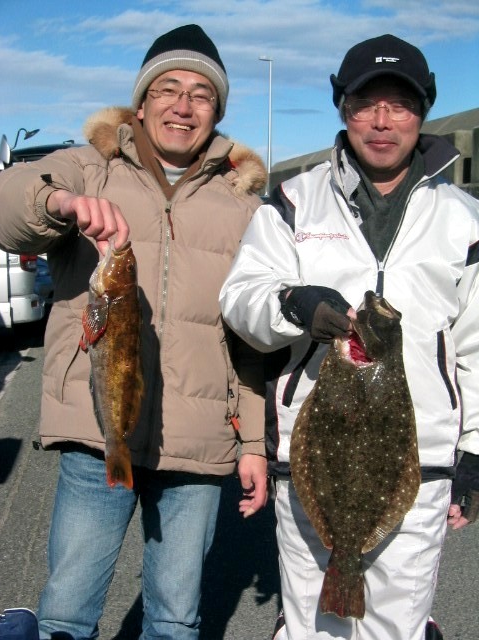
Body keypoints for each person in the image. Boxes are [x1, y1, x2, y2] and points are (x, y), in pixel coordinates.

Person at [0, 24, 268, 640]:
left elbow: (252, 342)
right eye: (167, 89)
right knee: (66, 612)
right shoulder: (89, 168)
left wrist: (252, 443)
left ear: (217, 112)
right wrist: (56, 206)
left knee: (175, 620)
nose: (182, 105)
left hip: (196, 445)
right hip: (99, 436)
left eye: (201, 94)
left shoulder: (246, 207)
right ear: (141, 104)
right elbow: (8, 202)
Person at [220, 33, 479, 640]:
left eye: (401, 104)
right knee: (314, 628)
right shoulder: (293, 202)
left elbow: (476, 343)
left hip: (420, 465)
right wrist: (292, 303)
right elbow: (240, 298)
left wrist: (476, 447)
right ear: (342, 108)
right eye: (367, 103)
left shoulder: (463, 219)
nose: (383, 121)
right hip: (311, 463)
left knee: (395, 627)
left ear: (424, 112)